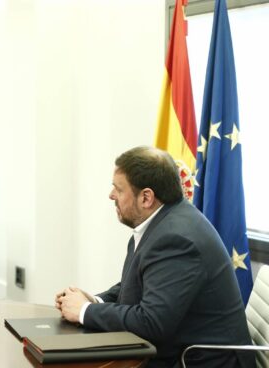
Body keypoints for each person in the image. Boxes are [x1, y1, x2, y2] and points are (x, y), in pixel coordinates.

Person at [55, 146, 254, 368]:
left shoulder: (177, 239)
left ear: (146, 198)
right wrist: (94, 300)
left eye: (118, 189)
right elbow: (140, 284)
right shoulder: (161, 223)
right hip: (179, 351)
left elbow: (152, 322)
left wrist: (85, 311)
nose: (111, 195)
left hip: (201, 361)